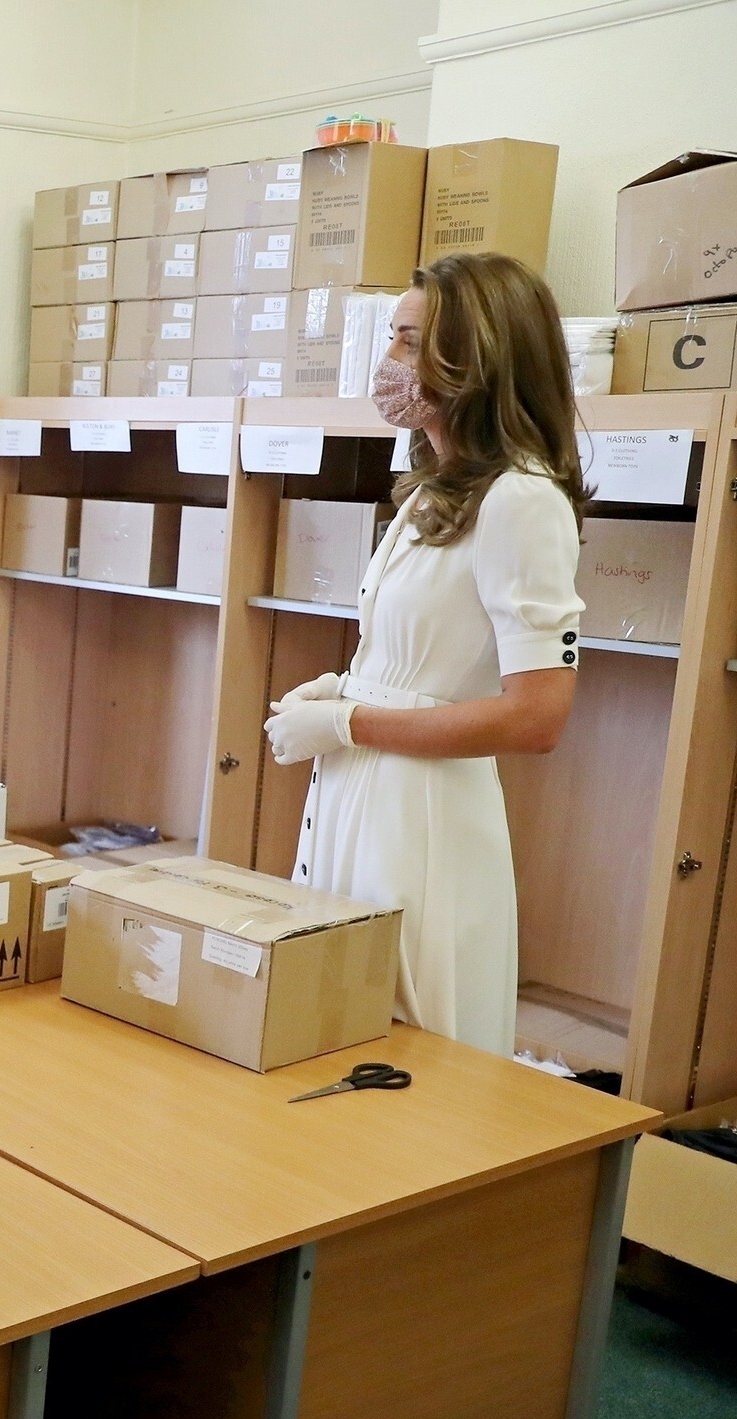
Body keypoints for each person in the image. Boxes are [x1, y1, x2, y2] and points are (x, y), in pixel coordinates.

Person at [264, 251, 586, 1054]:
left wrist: (349, 722)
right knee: (337, 1018)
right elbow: (423, 658)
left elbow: (538, 717)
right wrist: (343, 689)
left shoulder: (522, 501)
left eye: (409, 341)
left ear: (476, 358)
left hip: (424, 813)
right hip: (364, 793)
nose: (389, 360)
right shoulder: (432, 491)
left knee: (409, 1042)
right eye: (394, 337)